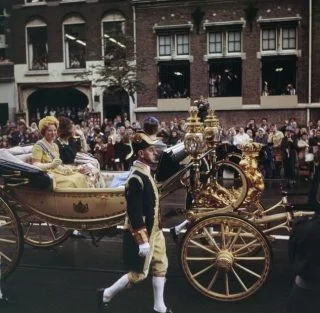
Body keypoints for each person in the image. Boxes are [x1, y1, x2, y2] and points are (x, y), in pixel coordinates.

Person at [96, 130, 172, 313]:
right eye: (151, 150)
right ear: (141, 153)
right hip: (144, 232)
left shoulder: (146, 172)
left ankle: (159, 307)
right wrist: (142, 240)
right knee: (139, 274)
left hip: (155, 229)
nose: (155, 153)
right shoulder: (136, 178)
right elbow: (134, 212)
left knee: (161, 265)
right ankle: (106, 294)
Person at [32, 116, 89, 189]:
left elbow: (59, 164)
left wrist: (75, 169)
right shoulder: (38, 146)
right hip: (47, 175)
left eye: (55, 130)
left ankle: (83, 200)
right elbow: (35, 164)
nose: (53, 133)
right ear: (44, 131)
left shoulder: (55, 146)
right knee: (72, 182)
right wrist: (50, 165)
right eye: (50, 130)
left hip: (57, 171)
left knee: (80, 177)